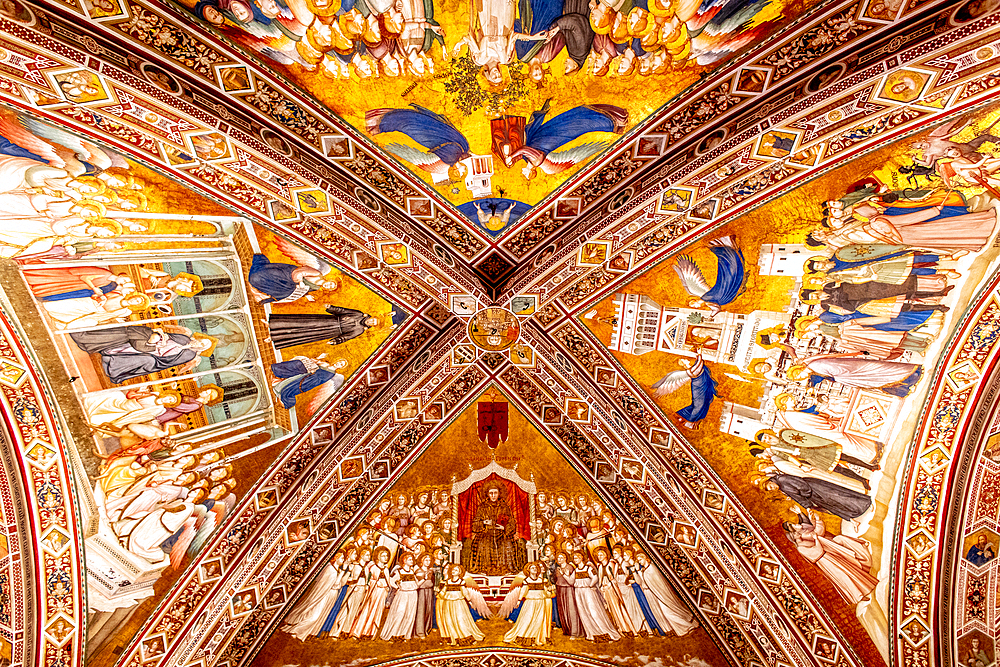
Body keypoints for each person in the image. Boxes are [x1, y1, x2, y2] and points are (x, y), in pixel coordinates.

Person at [783, 510, 878, 605]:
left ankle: (866, 586)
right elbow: (816, 553)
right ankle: (858, 596)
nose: (797, 534)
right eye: (794, 534)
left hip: (827, 557)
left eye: (796, 533)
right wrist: (816, 539)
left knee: (847, 570)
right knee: (843, 576)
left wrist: (815, 520)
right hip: (824, 561)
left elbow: (816, 532)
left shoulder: (803, 539)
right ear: (793, 537)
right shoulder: (801, 547)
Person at [70, 325, 213, 383]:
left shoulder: (190, 355)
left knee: (146, 359)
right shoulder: (185, 338)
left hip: (156, 358)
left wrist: (158, 350)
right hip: (155, 345)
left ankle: (112, 365)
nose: (198, 343)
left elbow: (169, 361)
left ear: (200, 349)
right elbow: (168, 335)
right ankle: (97, 344)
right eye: (200, 341)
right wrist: (161, 340)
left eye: (201, 345)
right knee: (139, 338)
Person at [463, 481, 527, 575]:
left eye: (495, 493)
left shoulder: (504, 506)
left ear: (499, 494)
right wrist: (484, 523)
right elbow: (475, 524)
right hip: (485, 534)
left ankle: (506, 569)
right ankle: (484, 569)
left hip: (502, 534)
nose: (493, 495)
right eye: (491, 493)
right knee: (482, 545)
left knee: (507, 545)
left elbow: (512, 523)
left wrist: (504, 528)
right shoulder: (482, 507)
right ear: (487, 494)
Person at [634, 552, 698, 636]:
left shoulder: (651, 569)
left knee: (668, 613)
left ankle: (687, 627)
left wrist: (639, 571)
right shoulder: (646, 570)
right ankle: (685, 628)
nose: (640, 562)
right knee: (668, 612)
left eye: (640, 560)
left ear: (645, 558)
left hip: (661, 595)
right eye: (638, 561)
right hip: (658, 595)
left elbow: (650, 583)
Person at [266, 305, 385, 349]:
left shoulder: (359, 330)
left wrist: (335, 341)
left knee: (304, 334)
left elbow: (346, 337)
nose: (372, 322)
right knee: (301, 323)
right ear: (372, 317)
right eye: (373, 320)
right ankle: (272, 324)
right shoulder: (358, 313)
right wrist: (330, 308)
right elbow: (342, 310)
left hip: (330, 331)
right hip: (327, 320)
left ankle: (276, 337)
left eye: (374, 324)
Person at [247, 253, 338, 304]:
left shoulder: (316, 287)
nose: (328, 285)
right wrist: (300, 281)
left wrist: (307, 295)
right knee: (258, 275)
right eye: (330, 283)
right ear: (329, 280)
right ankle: (259, 287)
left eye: (330, 287)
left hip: (289, 284)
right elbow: (299, 272)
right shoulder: (317, 273)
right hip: (287, 273)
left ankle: (263, 296)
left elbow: (304, 291)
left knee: (285, 294)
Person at [571, 550, 621, 641]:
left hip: (588, 591)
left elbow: (595, 577)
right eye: (574, 558)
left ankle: (605, 632)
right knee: (583, 612)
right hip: (578, 592)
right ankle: (592, 634)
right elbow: (572, 581)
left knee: (594, 611)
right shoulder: (575, 570)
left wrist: (590, 585)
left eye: (577, 557)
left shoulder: (588, 568)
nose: (575, 559)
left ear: (581, 557)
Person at [436, 563, 488, 645]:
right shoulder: (448, 581)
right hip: (448, 603)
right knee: (449, 620)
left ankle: (464, 636)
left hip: (458, 603)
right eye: (453, 570)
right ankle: (453, 637)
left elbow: (465, 592)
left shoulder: (461, 581)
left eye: (456, 570)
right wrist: (439, 595)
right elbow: (444, 591)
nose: (454, 571)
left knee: (460, 619)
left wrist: (470, 601)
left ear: (460, 572)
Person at [270, 355, 347, 409]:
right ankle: (278, 382)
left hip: (311, 381)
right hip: (308, 375)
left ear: (341, 367)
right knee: (293, 378)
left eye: (341, 364)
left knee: (294, 386)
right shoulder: (326, 364)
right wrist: (319, 359)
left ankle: (285, 399)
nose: (338, 364)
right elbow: (315, 362)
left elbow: (320, 378)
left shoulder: (331, 373)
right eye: (339, 362)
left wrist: (313, 373)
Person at [349, 546, 393, 639]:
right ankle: (359, 632)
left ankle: (371, 633)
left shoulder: (385, 569)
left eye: (386, 556)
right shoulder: (372, 568)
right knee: (367, 611)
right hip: (373, 593)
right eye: (383, 556)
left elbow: (388, 582)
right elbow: (368, 581)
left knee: (377, 612)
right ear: (378, 557)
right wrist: (377, 583)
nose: (385, 558)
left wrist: (386, 587)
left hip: (382, 594)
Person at [380, 552, 421, 640]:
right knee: (400, 613)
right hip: (403, 594)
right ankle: (393, 634)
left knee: (409, 614)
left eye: (412, 559)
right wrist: (398, 587)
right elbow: (391, 581)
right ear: (404, 560)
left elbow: (417, 583)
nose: (412, 561)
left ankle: (404, 634)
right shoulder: (399, 571)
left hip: (413, 594)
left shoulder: (412, 571)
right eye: (410, 559)